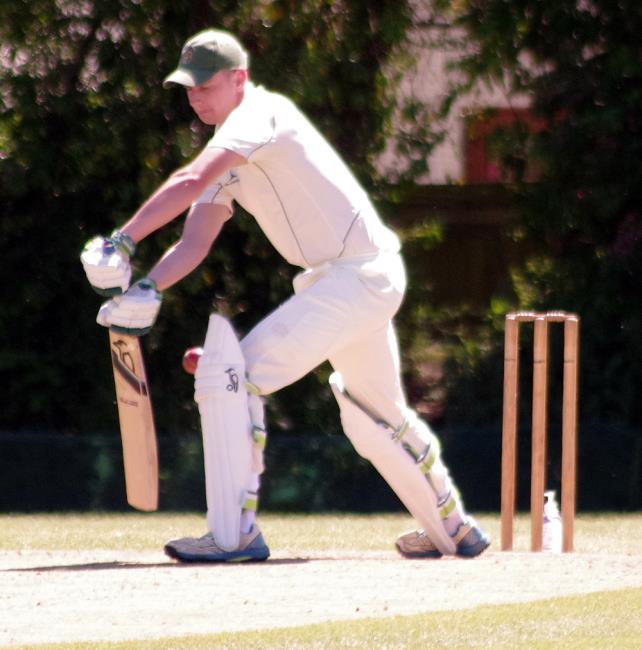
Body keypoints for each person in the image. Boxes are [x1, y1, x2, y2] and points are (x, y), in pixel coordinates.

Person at [81, 28, 490, 562]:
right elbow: (195, 240)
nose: (196, 96)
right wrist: (146, 288)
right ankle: (454, 526)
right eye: (188, 88)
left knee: (231, 377)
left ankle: (235, 535)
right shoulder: (226, 152)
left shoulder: (257, 115)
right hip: (352, 279)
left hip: (354, 274)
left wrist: (122, 240)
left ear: (238, 79)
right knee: (371, 412)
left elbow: (189, 178)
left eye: (206, 85)